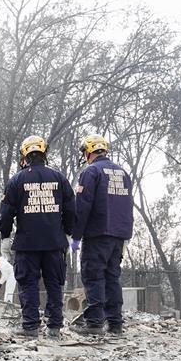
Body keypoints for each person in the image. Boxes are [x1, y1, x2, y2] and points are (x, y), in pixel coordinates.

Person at [0, 135, 75, 338]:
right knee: (54, 283)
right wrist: (68, 232)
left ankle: (30, 326)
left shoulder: (16, 180)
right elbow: (71, 210)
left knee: (28, 283)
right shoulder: (60, 179)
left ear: (25, 155)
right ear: (44, 153)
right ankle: (55, 327)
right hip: (54, 242)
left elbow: (6, 213)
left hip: (27, 243)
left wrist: (5, 236)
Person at [70, 134, 134, 336]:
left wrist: (76, 235)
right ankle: (115, 322)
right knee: (112, 277)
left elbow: (82, 206)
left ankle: (95, 323)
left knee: (94, 277)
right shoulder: (123, 173)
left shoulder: (91, 172)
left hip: (97, 233)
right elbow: (127, 206)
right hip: (119, 234)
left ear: (89, 151)